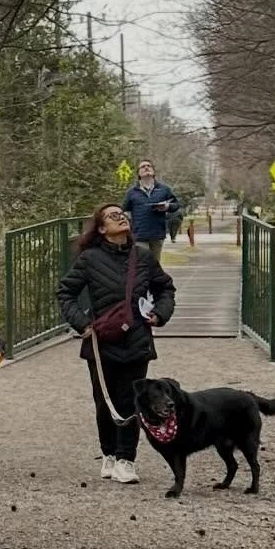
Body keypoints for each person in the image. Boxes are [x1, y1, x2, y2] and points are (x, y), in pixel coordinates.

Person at [58, 201, 176, 484]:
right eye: (113, 216)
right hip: (101, 342)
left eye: (122, 214)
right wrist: (81, 323)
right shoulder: (89, 259)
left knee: (132, 401)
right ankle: (108, 453)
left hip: (137, 339)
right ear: (101, 228)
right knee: (104, 401)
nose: (121, 218)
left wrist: (160, 314)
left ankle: (126, 459)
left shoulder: (143, 257)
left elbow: (165, 288)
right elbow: (65, 293)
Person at [122, 160, 178, 264]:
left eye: (149, 166)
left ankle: (154, 281)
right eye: (143, 166)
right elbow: (124, 210)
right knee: (143, 264)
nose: (146, 168)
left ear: (153, 171)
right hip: (139, 235)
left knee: (155, 265)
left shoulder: (164, 189)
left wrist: (167, 206)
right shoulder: (132, 192)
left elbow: (176, 205)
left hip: (157, 233)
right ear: (138, 173)